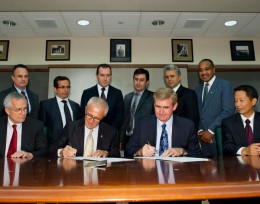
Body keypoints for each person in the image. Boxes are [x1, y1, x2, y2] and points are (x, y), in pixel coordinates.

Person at [125, 87, 201, 158]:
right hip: (149, 170)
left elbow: (198, 154)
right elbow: (128, 149)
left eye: (166, 107)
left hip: (177, 170)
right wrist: (140, 152)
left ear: (174, 107)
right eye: (158, 107)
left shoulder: (187, 126)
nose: (161, 112)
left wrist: (182, 151)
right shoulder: (142, 124)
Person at [195, 59, 235, 157]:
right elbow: (199, 113)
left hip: (219, 137)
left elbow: (228, 111)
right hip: (203, 139)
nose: (203, 72)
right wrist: (200, 130)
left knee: (222, 169)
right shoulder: (197, 89)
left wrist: (211, 130)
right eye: (200, 70)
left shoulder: (225, 85)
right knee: (205, 169)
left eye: (207, 69)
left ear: (213, 70)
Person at [38, 76, 83, 156]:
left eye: (68, 87)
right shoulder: (46, 105)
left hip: (73, 150)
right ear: (55, 89)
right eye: (62, 87)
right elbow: (41, 129)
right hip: (53, 150)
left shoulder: (75, 106)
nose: (66, 90)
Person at [0, 92, 47, 158]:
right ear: (7, 111)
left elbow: (43, 150)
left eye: (25, 109)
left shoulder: (36, 126)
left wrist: (29, 154)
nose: (23, 113)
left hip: (25, 166)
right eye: (18, 110)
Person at [80, 63, 124, 131]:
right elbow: (83, 114)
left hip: (111, 133)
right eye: (102, 75)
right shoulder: (87, 93)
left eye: (108, 75)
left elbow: (119, 117)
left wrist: (108, 131)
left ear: (111, 76)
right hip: (91, 131)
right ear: (97, 76)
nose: (105, 79)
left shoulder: (117, 93)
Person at [120, 68, 154, 151]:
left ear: (147, 82)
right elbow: (124, 120)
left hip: (144, 139)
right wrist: (121, 139)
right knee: (126, 163)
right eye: (136, 79)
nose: (138, 83)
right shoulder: (127, 97)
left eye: (142, 80)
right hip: (127, 139)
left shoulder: (153, 97)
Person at [222, 85, 260, 156]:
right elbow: (226, 147)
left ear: (253, 101)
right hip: (238, 164)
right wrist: (244, 150)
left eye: (241, 100)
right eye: (235, 101)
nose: (237, 104)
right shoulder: (228, 122)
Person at [164, 64, 199, 130]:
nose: (169, 79)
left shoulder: (189, 93)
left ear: (179, 77)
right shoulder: (165, 95)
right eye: (167, 77)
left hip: (183, 133)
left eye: (172, 76)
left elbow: (192, 119)